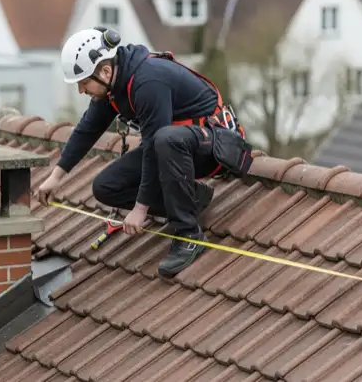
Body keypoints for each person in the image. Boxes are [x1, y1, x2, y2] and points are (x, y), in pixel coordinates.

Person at [35, 26, 253, 277]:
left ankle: (188, 234)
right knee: (105, 186)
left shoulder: (148, 82)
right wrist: (57, 176)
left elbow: (152, 146)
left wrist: (141, 208)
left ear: (105, 71)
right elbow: (87, 129)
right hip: (176, 147)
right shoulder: (112, 86)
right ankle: (191, 199)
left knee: (164, 139)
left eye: (84, 83)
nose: (81, 91)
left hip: (215, 148)